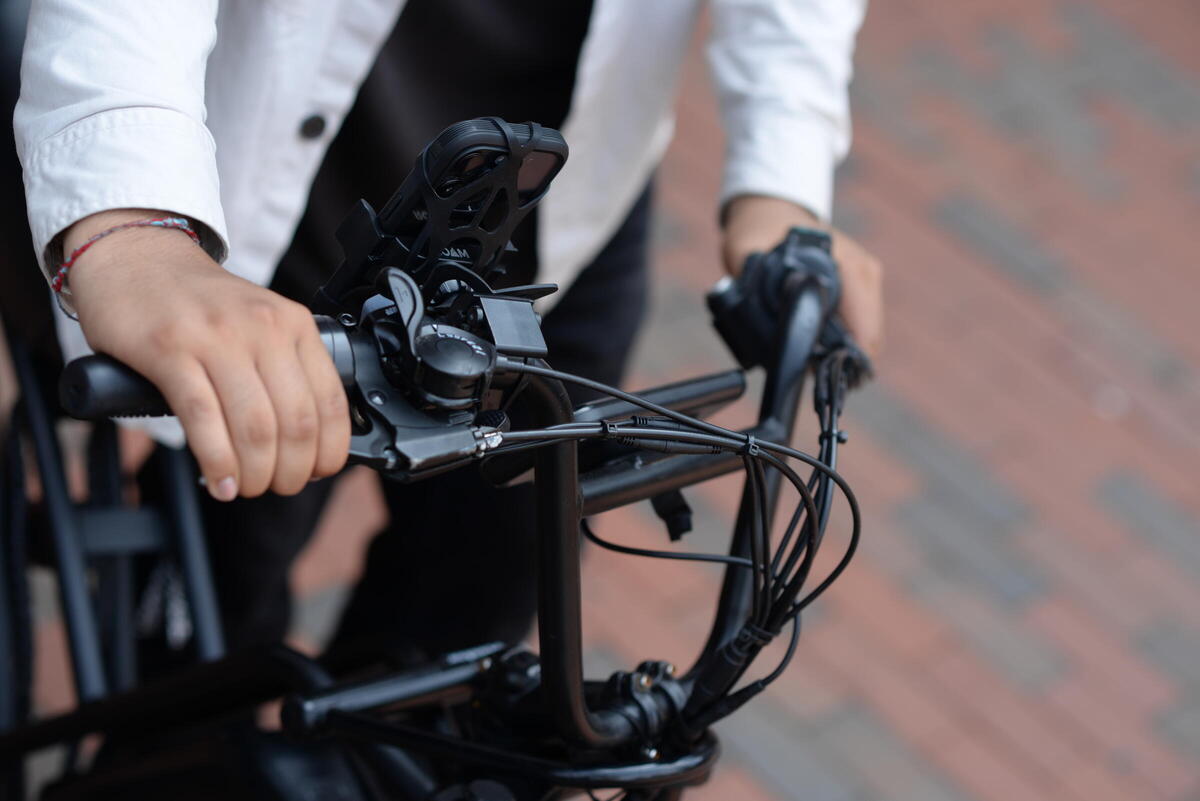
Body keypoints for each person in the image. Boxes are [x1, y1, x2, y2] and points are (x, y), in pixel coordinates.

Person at [12, 1, 883, 660]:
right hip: (281, 198)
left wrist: (782, 182)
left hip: (566, 210)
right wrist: (133, 227)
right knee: (203, 640)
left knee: (474, 647)